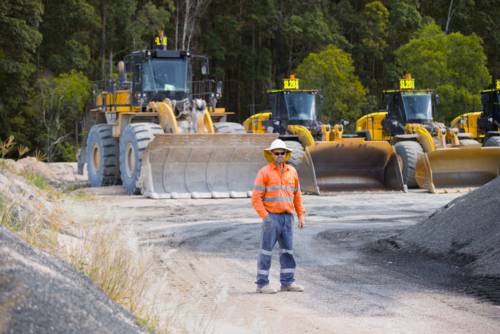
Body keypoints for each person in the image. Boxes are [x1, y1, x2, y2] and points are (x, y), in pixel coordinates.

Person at [251, 139, 306, 294]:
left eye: (283, 153)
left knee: (288, 251)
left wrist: (300, 215)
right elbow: (256, 198)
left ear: (286, 154)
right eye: (277, 153)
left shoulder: (292, 172)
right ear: (271, 154)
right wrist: (266, 216)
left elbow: (297, 196)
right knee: (266, 251)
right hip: (272, 218)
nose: (280, 155)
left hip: (287, 218)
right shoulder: (264, 172)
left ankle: (287, 283)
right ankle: (262, 284)